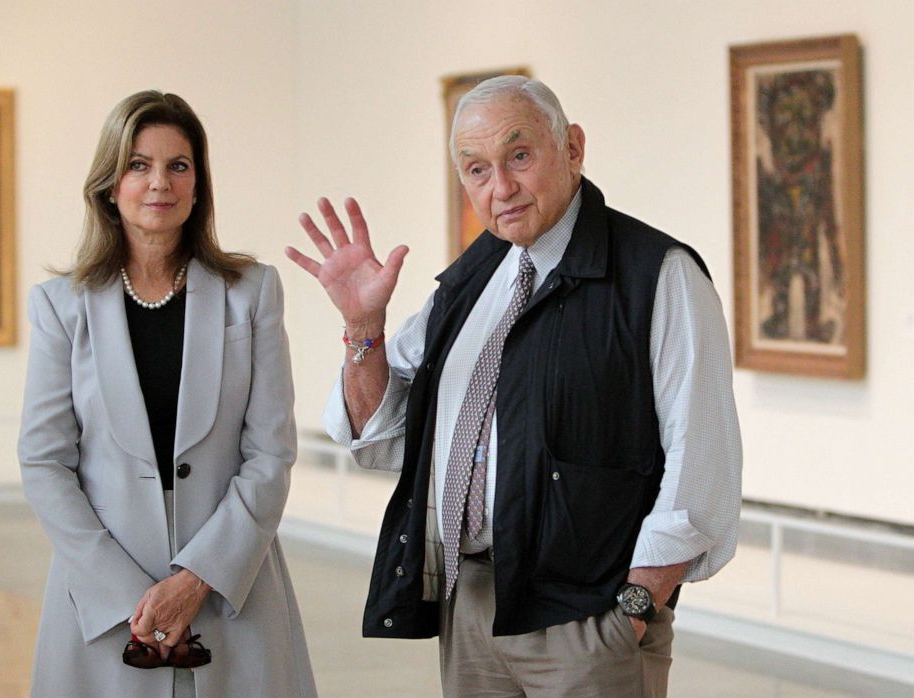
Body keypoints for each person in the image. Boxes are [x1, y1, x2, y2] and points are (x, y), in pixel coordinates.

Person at [286, 76, 741, 697]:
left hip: (590, 618)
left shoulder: (658, 275)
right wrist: (363, 325)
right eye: (477, 170)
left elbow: (702, 463)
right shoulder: (474, 277)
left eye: (519, 156)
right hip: (469, 604)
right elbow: (382, 432)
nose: (500, 188)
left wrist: (633, 610)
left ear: (573, 149)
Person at [18, 91, 317, 698]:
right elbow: (45, 462)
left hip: (234, 594)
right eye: (139, 164)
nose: (160, 182)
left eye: (179, 165)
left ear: (199, 184)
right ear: (109, 183)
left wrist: (196, 579)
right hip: (103, 610)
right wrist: (136, 594)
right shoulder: (59, 306)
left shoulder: (252, 292)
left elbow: (270, 455)